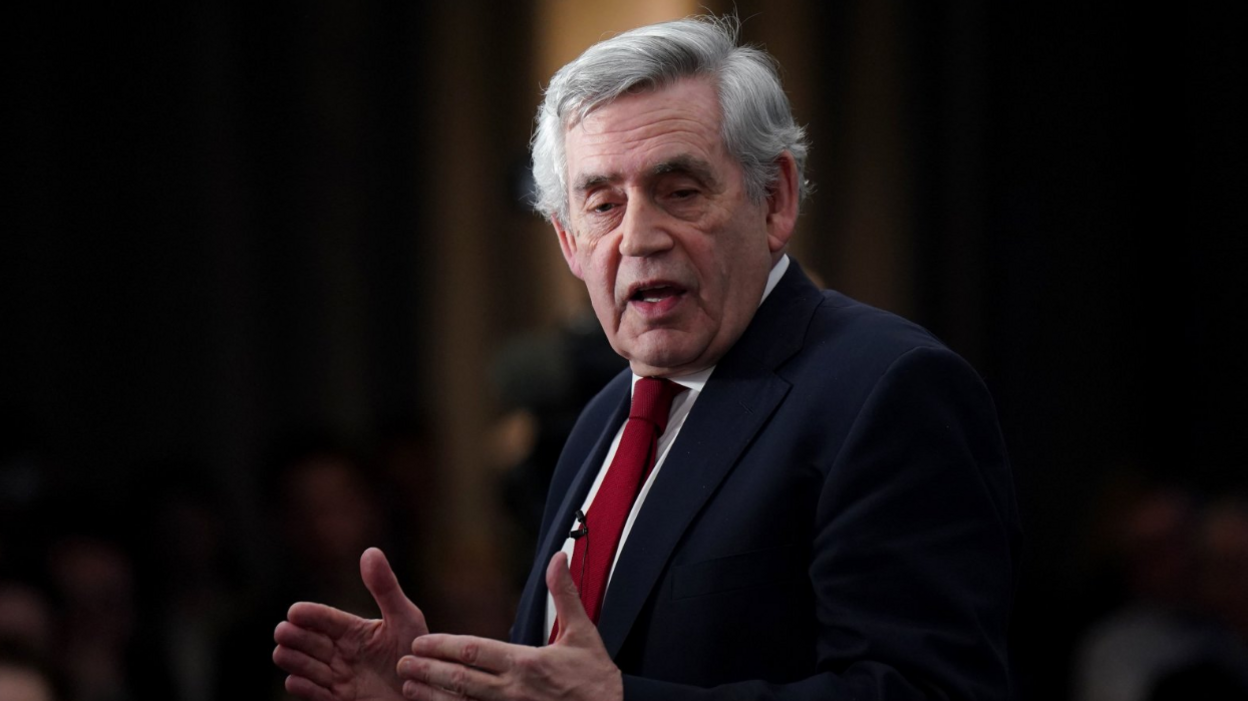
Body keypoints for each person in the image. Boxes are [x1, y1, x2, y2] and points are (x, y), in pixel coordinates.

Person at [273, 14, 1021, 701]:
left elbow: (932, 692)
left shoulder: (889, 390)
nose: (637, 237)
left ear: (776, 200)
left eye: (680, 189)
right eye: (601, 204)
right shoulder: (604, 419)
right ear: (568, 241)